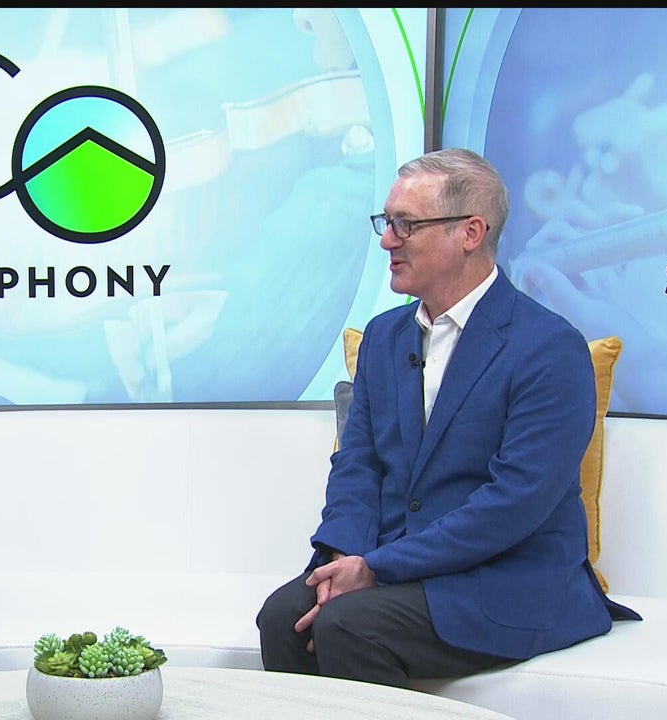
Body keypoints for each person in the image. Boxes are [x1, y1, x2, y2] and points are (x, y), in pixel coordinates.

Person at [256, 148, 640, 688]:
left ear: (470, 233)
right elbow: (357, 465)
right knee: (282, 618)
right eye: (387, 222)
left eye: (406, 225)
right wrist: (343, 556)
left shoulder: (549, 348)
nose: (388, 241)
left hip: (504, 577)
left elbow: (513, 503)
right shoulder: (384, 338)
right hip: (394, 564)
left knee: (350, 626)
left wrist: (377, 569)